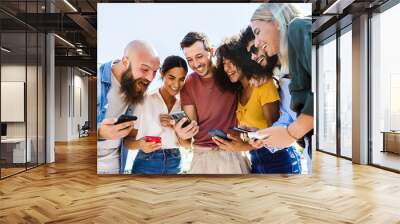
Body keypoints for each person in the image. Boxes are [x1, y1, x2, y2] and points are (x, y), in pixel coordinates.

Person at [213, 36, 302, 174]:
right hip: (256, 160)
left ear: (242, 59)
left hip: (279, 159)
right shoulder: (238, 93)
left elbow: (273, 133)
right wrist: (237, 139)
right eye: (224, 63)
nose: (227, 68)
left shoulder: (263, 84)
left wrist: (241, 147)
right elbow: (251, 131)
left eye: (231, 62)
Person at [173, 32, 250, 174]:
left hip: (233, 154)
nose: (195, 64)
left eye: (199, 56)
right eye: (189, 59)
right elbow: (191, 128)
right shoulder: (188, 84)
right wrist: (182, 134)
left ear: (211, 51)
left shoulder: (230, 73)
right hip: (202, 157)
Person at [249, 4, 313, 165]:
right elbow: (288, 117)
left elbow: (326, 88)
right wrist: (265, 136)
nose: (256, 43)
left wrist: (290, 133)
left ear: (276, 22)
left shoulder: (298, 27)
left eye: (257, 32)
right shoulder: (285, 70)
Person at [97, 40, 160, 174]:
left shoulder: (139, 91)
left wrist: (141, 144)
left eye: (155, 71)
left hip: (115, 167)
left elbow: (128, 140)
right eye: (144, 69)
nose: (150, 77)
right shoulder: (95, 80)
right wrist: (99, 132)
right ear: (125, 62)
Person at [124, 56, 188, 174]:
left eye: (181, 79)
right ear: (162, 73)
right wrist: (140, 144)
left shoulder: (183, 105)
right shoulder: (144, 100)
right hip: (146, 162)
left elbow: (188, 144)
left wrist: (175, 127)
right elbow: (127, 141)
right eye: (172, 77)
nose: (176, 84)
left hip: (175, 163)